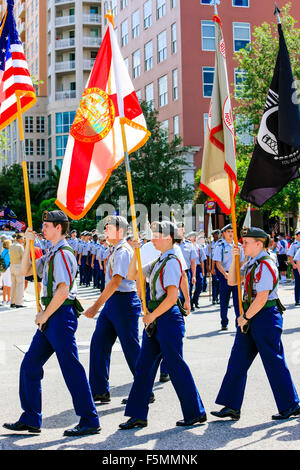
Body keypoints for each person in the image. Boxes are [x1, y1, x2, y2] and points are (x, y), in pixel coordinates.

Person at [3, 210, 100, 437]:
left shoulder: (63, 254)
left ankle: (89, 419)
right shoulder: (51, 252)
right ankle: (31, 418)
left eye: (46, 225)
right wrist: (28, 244)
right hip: (52, 316)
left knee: (71, 368)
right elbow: (26, 270)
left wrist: (45, 315)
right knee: (30, 365)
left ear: (58, 228)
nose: (42, 229)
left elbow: (63, 289)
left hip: (60, 314)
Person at [119, 221, 207, 429]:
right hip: (157, 318)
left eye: (156, 234)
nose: (153, 238)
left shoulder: (172, 261)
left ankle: (195, 412)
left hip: (167, 318)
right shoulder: (160, 260)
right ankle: (138, 414)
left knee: (175, 365)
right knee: (144, 366)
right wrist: (136, 253)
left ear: (168, 237)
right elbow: (132, 276)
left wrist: (151, 316)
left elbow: (170, 297)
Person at [211, 227, 300, 421]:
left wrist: (245, 317)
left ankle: (291, 405)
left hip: (265, 316)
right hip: (252, 315)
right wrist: (235, 261)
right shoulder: (252, 262)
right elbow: (233, 281)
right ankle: (232, 406)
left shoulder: (266, 264)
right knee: (237, 361)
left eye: (246, 242)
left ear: (259, 243)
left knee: (273, 362)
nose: (243, 245)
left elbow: (262, 297)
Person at [85, 215, 143, 405]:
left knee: (131, 348)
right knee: (99, 344)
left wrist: (95, 306)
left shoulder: (123, 251)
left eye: (108, 228)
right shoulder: (116, 249)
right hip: (113, 302)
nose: (105, 231)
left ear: (119, 231)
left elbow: (117, 280)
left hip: (124, 302)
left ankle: (145, 389)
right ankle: (100, 390)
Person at [213, 224, 245, 330]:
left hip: (236, 275)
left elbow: (243, 261)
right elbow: (218, 263)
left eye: (232, 231)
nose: (231, 234)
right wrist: (225, 274)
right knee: (224, 300)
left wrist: (240, 273)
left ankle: (238, 322)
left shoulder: (238, 246)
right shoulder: (220, 246)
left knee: (238, 301)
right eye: (228, 232)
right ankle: (224, 321)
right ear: (223, 234)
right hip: (225, 275)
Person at [9, 233, 25, 308]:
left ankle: (12, 302)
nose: (23, 240)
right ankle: (19, 303)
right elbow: (24, 257)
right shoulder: (20, 246)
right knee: (20, 285)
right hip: (19, 266)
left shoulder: (11, 245)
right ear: (19, 239)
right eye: (22, 239)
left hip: (12, 265)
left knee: (13, 285)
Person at [287, 229, 300, 306]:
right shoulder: (294, 244)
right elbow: (290, 255)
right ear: (296, 236)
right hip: (297, 265)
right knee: (298, 283)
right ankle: (297, 299)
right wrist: (293, 264)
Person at [1, 239, 11, 306]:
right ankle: (9, 300)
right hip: (8, 269)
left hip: (3, 269)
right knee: (9, 285)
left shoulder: (3, 252)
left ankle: (4, 300)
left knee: (4, 285)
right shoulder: (9, 252)